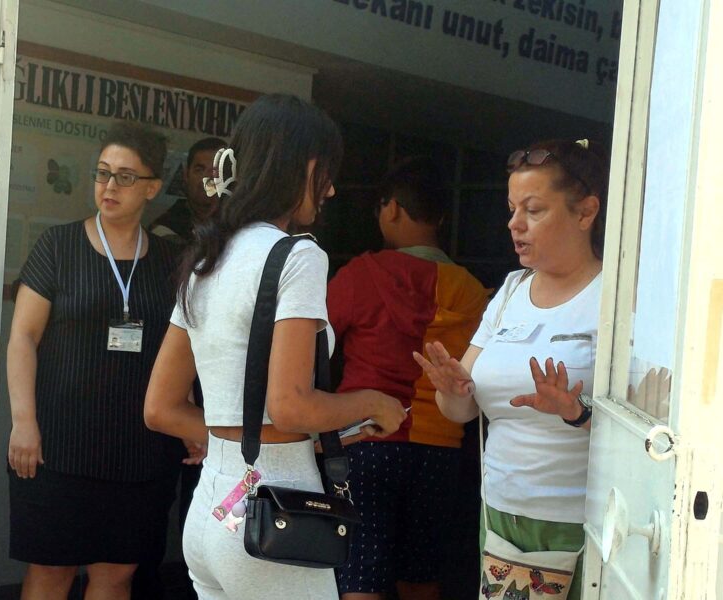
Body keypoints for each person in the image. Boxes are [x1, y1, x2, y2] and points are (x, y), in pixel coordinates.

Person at [144, 93, 409, 600]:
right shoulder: (297, 255)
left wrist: (254, 439)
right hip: (275, 516)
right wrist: (374, 402)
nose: (330, 189)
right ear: (303, 165)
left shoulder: (205, 257)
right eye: (326, 171)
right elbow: (290, 406)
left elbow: (160, 408)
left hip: (211, 511)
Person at [414, 139, 608, 600]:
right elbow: (461, 410)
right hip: (499, 513)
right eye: (511, 208)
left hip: (576, 523)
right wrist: (452, 389)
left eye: (533, 210)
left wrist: (576, 411)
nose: (514, 224)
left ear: (585, 213)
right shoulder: (511, 290)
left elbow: (650, 426)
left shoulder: (615, 296)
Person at [6, 121, 179, 600]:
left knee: (116, 575)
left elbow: (179, 347)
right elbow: (22, 337)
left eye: (126, 176)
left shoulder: (171, 260)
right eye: (103, 173)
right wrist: (24, 422)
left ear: (152, 188)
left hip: (139, 450)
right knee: (51, 571)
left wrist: (185, 415)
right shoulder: (58, 246)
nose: (109, 186)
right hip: (58, 445)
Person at [328, 157, 488, 600]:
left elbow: (311, 344)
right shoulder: (471, 290)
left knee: (361, 574)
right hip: (440, 447)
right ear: (440, 218)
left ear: (392, 208)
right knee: (421, 577)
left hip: (365, 441)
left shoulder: (361, 275)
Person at [150, 137, 226, 243]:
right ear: (186, 175)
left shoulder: (238, 223)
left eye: (217, 171)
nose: (208, 178)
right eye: (199, 170)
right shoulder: (165, 229)